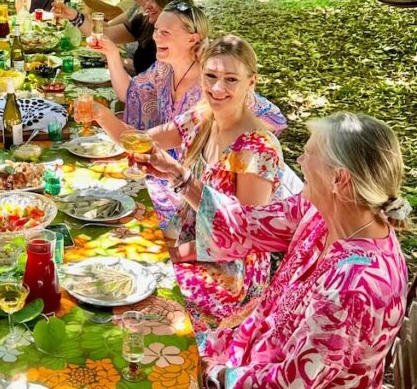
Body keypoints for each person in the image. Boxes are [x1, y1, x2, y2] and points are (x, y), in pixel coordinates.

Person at [144, 113, 410, 389]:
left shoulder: (357, 287)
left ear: (340, 179)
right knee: (158, 346)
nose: (299, 162)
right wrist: (180, 175)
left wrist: (212, 374)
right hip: (263, 358)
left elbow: (286, 388)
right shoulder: (327, 211)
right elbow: (246, 225)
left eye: (309, 156)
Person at [94, 35, 285, 330]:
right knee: (109, 259)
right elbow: (141, 142)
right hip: (190, 248)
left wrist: (170, 255)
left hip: (229, 275)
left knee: (130, 300)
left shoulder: (256, 149)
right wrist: (100, 114)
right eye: (211, 76)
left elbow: (240, 238)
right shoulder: (201, 119)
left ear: (251, 82)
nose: (217, 88)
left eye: (231, 79)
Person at [94, 0, 196, 104]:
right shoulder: (147, 24)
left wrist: (115, 58)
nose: (156, 37)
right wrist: (113, 55)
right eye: (156, 30)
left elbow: (135, 96)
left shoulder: (191, 60)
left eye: (152, 0)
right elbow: (131, 93)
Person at [56, 0, 163, 74]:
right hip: (134, 74)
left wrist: (116, 59)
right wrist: (76, 16)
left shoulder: (168, 21)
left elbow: (154, 70)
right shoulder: (140, 16)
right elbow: (106, 31)